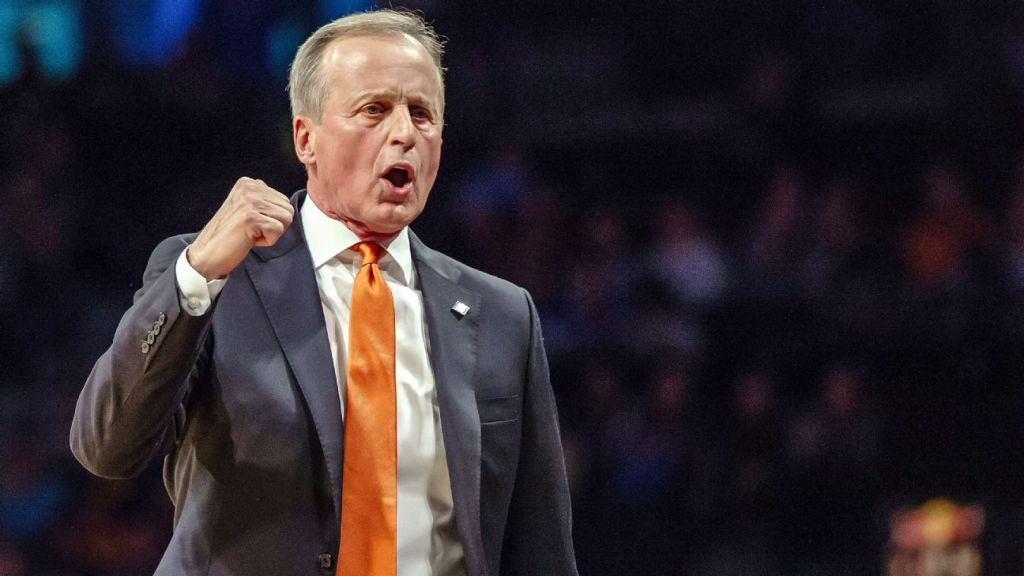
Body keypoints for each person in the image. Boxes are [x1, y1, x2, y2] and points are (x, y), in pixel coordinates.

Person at [70, 9, 577, 576]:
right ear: (305, 139)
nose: (405, 133)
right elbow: (106, 446)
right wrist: (197, 274)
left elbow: (541, 547)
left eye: (422, 114)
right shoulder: (217, 279)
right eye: (374, 109)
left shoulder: (503, 313)